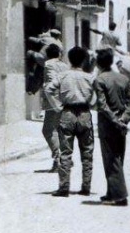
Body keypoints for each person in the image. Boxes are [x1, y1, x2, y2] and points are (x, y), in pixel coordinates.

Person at [49, 47, 96, 197]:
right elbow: (98, 94)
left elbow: (48, 89)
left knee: (65, 151)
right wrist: (92, 103)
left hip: (67, 113)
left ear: (69, 59)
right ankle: (86, 186)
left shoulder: (62, 76)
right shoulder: (89, 77)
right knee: (87, 152)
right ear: (83, 60)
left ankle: (64, 187)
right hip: (84, 113)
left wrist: (57, 106)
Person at [94, 49, 130, 206]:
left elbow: (102, 105)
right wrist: (123, 120)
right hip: (121, 125)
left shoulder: (100, 80)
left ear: (98, 63)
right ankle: (111, 191)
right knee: (118, 157)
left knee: (110, 159)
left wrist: (115, 121)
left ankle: (119, 196)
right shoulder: (124, 79)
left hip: (108, 124)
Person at [41, 42, 69, 172]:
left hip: (53, 101)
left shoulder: (48, 64)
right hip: (64, 99)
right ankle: (63, 159)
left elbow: (50, 82)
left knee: (48, 130)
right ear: (59, 53)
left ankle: (58, 159)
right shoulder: (64, 65)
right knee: (58, 130)